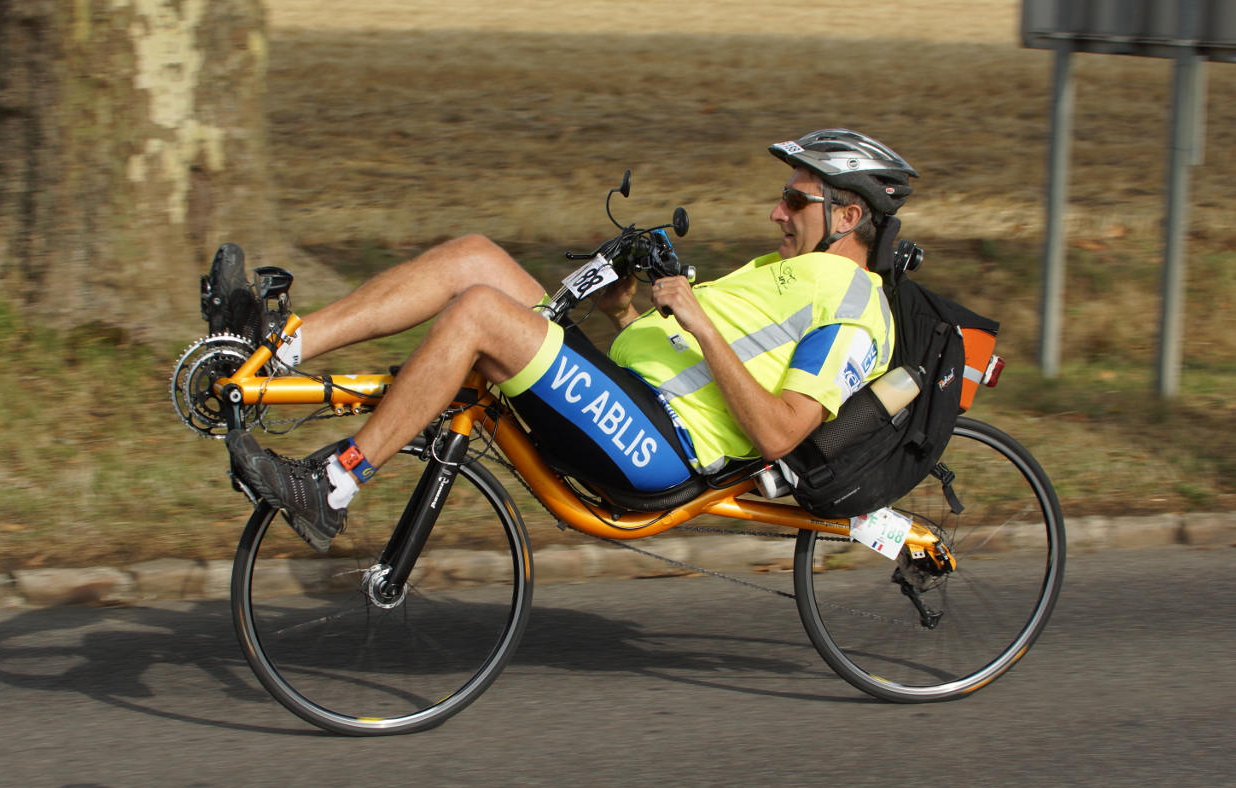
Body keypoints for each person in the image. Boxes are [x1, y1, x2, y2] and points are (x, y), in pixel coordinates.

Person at [225, 129, 918, 551]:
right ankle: (277, 346)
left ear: (849, 214)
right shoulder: (788, 268)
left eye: (796, 200)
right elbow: (698, 362)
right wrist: (623, 314)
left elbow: (781, 432)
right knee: (475, 257)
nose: (777, 209)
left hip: (663, 450)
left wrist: (700, 323)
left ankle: (335, 483)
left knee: (479, 312)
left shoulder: (854, 304)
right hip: (634, 403)